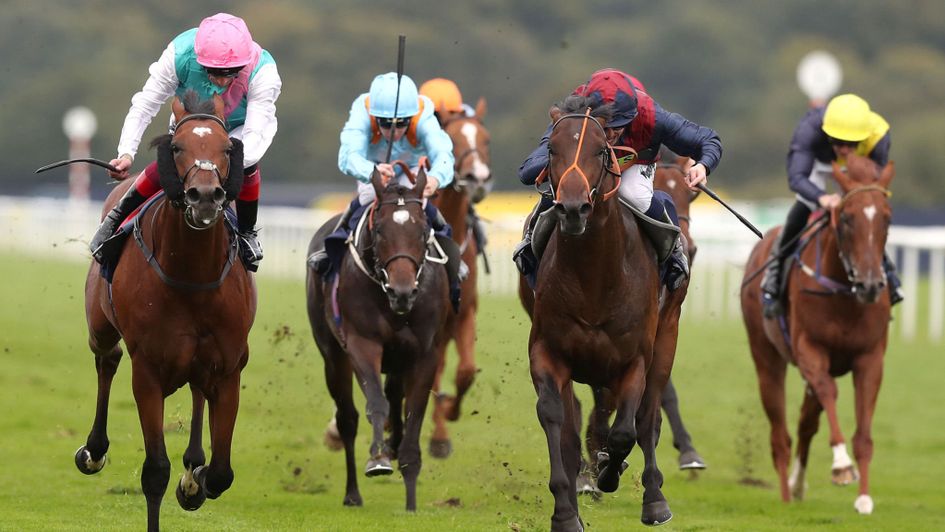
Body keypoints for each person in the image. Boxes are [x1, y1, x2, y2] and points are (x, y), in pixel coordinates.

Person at [89, 12, 282, 272]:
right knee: (177, 155)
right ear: (201, 61)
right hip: (191, 121)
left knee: (246, 165)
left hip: (240, 129)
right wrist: (126, 152)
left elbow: (255, 135)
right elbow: (146, 104)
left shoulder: (264, 71)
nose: (223, 81)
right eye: (214, 72)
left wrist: (218, 158)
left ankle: (247, 233)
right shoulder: (178, 55)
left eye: (231, 74)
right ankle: (115, 218)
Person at [514, 68, 722, 291]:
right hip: (589, 162)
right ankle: (530, 245)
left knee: (636, 196)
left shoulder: (652, 114)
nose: (614, 134)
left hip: (634, 163)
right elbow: (528, 170)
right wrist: (562, 158)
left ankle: (673, 255)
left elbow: (708, 140)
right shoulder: (572, 114)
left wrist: (703, 165)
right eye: (607, 126)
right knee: (565, 190)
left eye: (621, 125)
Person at [308, 73, 464, 306]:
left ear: (411, 117)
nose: (394, 131)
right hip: (373, 168)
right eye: (384, 123)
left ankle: (450, 258)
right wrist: (370, 170)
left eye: (402, 123)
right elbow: (347, 156)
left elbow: (443, 154)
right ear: (374, 116)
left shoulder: (423, 114)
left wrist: (435, 178)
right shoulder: (363, 109)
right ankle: (335, 246)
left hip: (410, 168)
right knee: (366, 197)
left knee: (421, 206)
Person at [760, 93, 903, 317]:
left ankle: (888, 275)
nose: (845, 149)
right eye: (838, 141)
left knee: (865, 219)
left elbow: (875, 188)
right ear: (826, 133)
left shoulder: (879, 135)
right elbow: (797, 178)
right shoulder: (809, 129)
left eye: (852, 143)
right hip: (819, 166)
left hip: (858, 172)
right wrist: (822, 198)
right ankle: (774, 275)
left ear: (864, 136)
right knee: (804, 205)